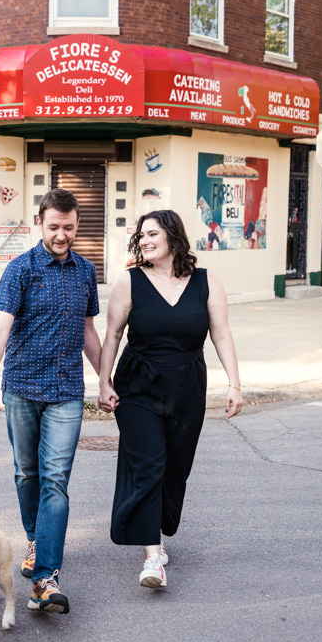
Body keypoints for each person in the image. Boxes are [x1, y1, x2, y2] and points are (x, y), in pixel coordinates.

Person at [97, 209, 243, 589]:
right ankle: (151, 557)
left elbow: (222, 334)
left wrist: (234, 383)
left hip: (187, 386)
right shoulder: (129, 282)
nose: (143, 240)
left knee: (175, 467)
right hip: (138, 386)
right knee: (148, 466)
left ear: (172, 237)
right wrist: (103, 382)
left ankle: (157, 531)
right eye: (140, 235)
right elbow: (111, 335)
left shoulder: (207, 282)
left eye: (151, 234)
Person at [0, 188, 101, 614]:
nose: (61, 235)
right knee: (27, 472)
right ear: (39, 225)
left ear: (76, 225)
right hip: (22, 388)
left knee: (55, 480)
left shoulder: (86, 271)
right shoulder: (20, 269)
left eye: (68, 227)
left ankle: (46, 577)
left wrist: (107, 380)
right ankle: (34, 539)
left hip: (67, 392)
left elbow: (88, 332)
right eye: (54, 227)